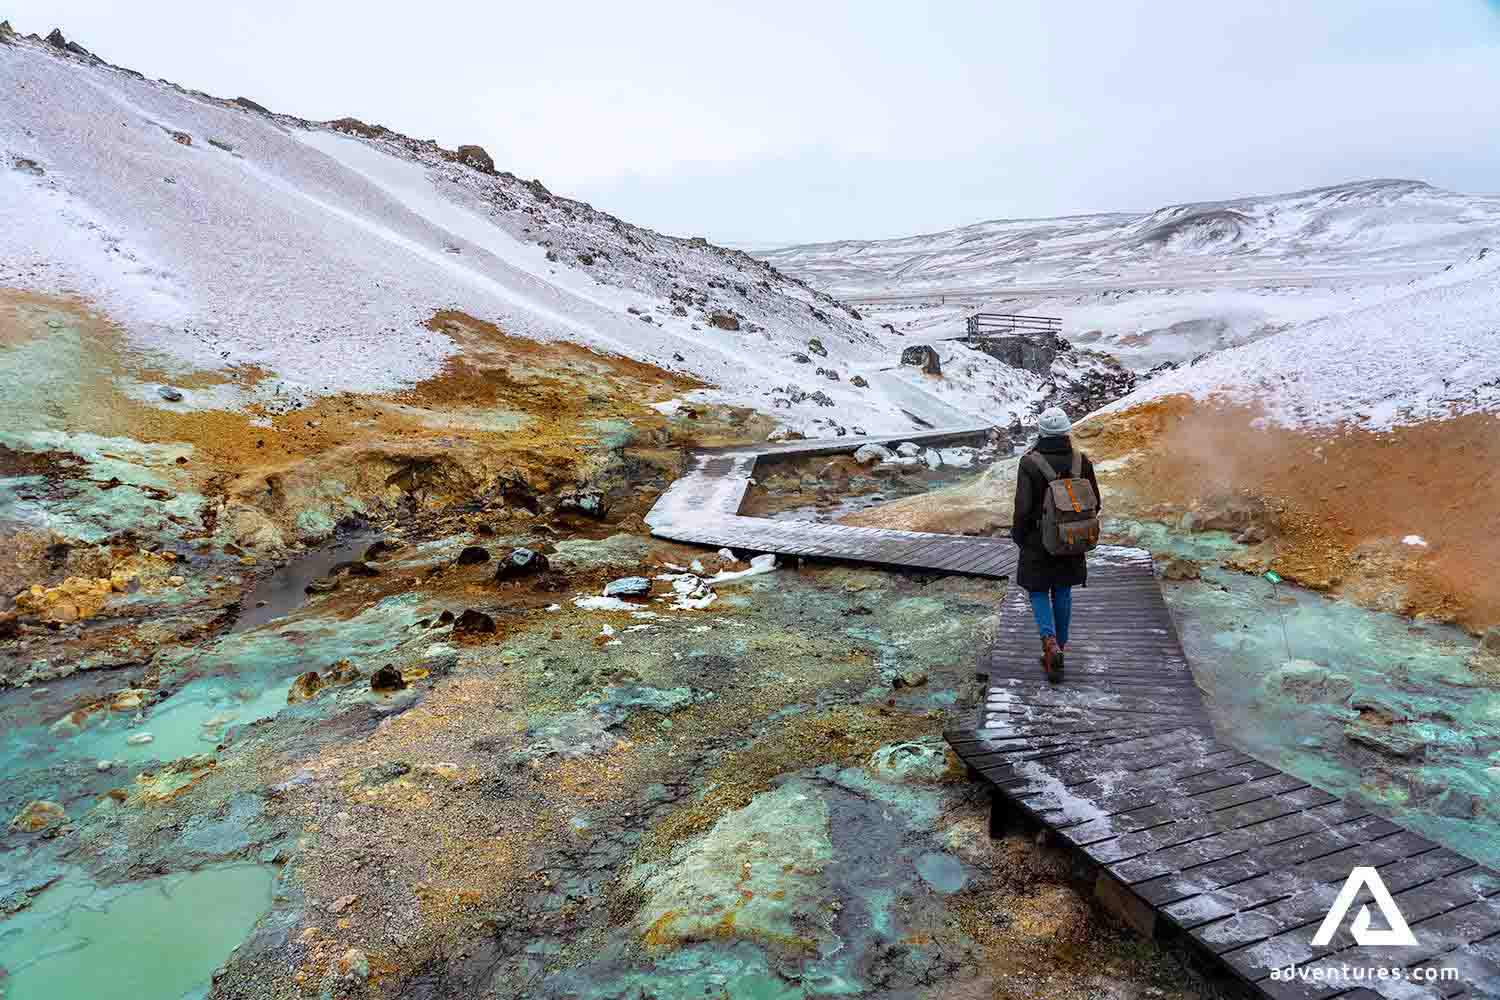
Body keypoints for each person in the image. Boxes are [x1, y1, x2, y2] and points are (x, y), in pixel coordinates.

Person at [1010, 407, 1100, 683]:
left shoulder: (1029, 462)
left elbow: (1023, 508)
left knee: (1038, 591)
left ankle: (1049, 643)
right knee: (1062, 590)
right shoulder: (1080, 460)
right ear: (1066, 431)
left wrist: (1020, 536)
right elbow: (1095, 501)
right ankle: (1061, 644)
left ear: (1041, 432)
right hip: (1071, 538)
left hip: (1038, 540)